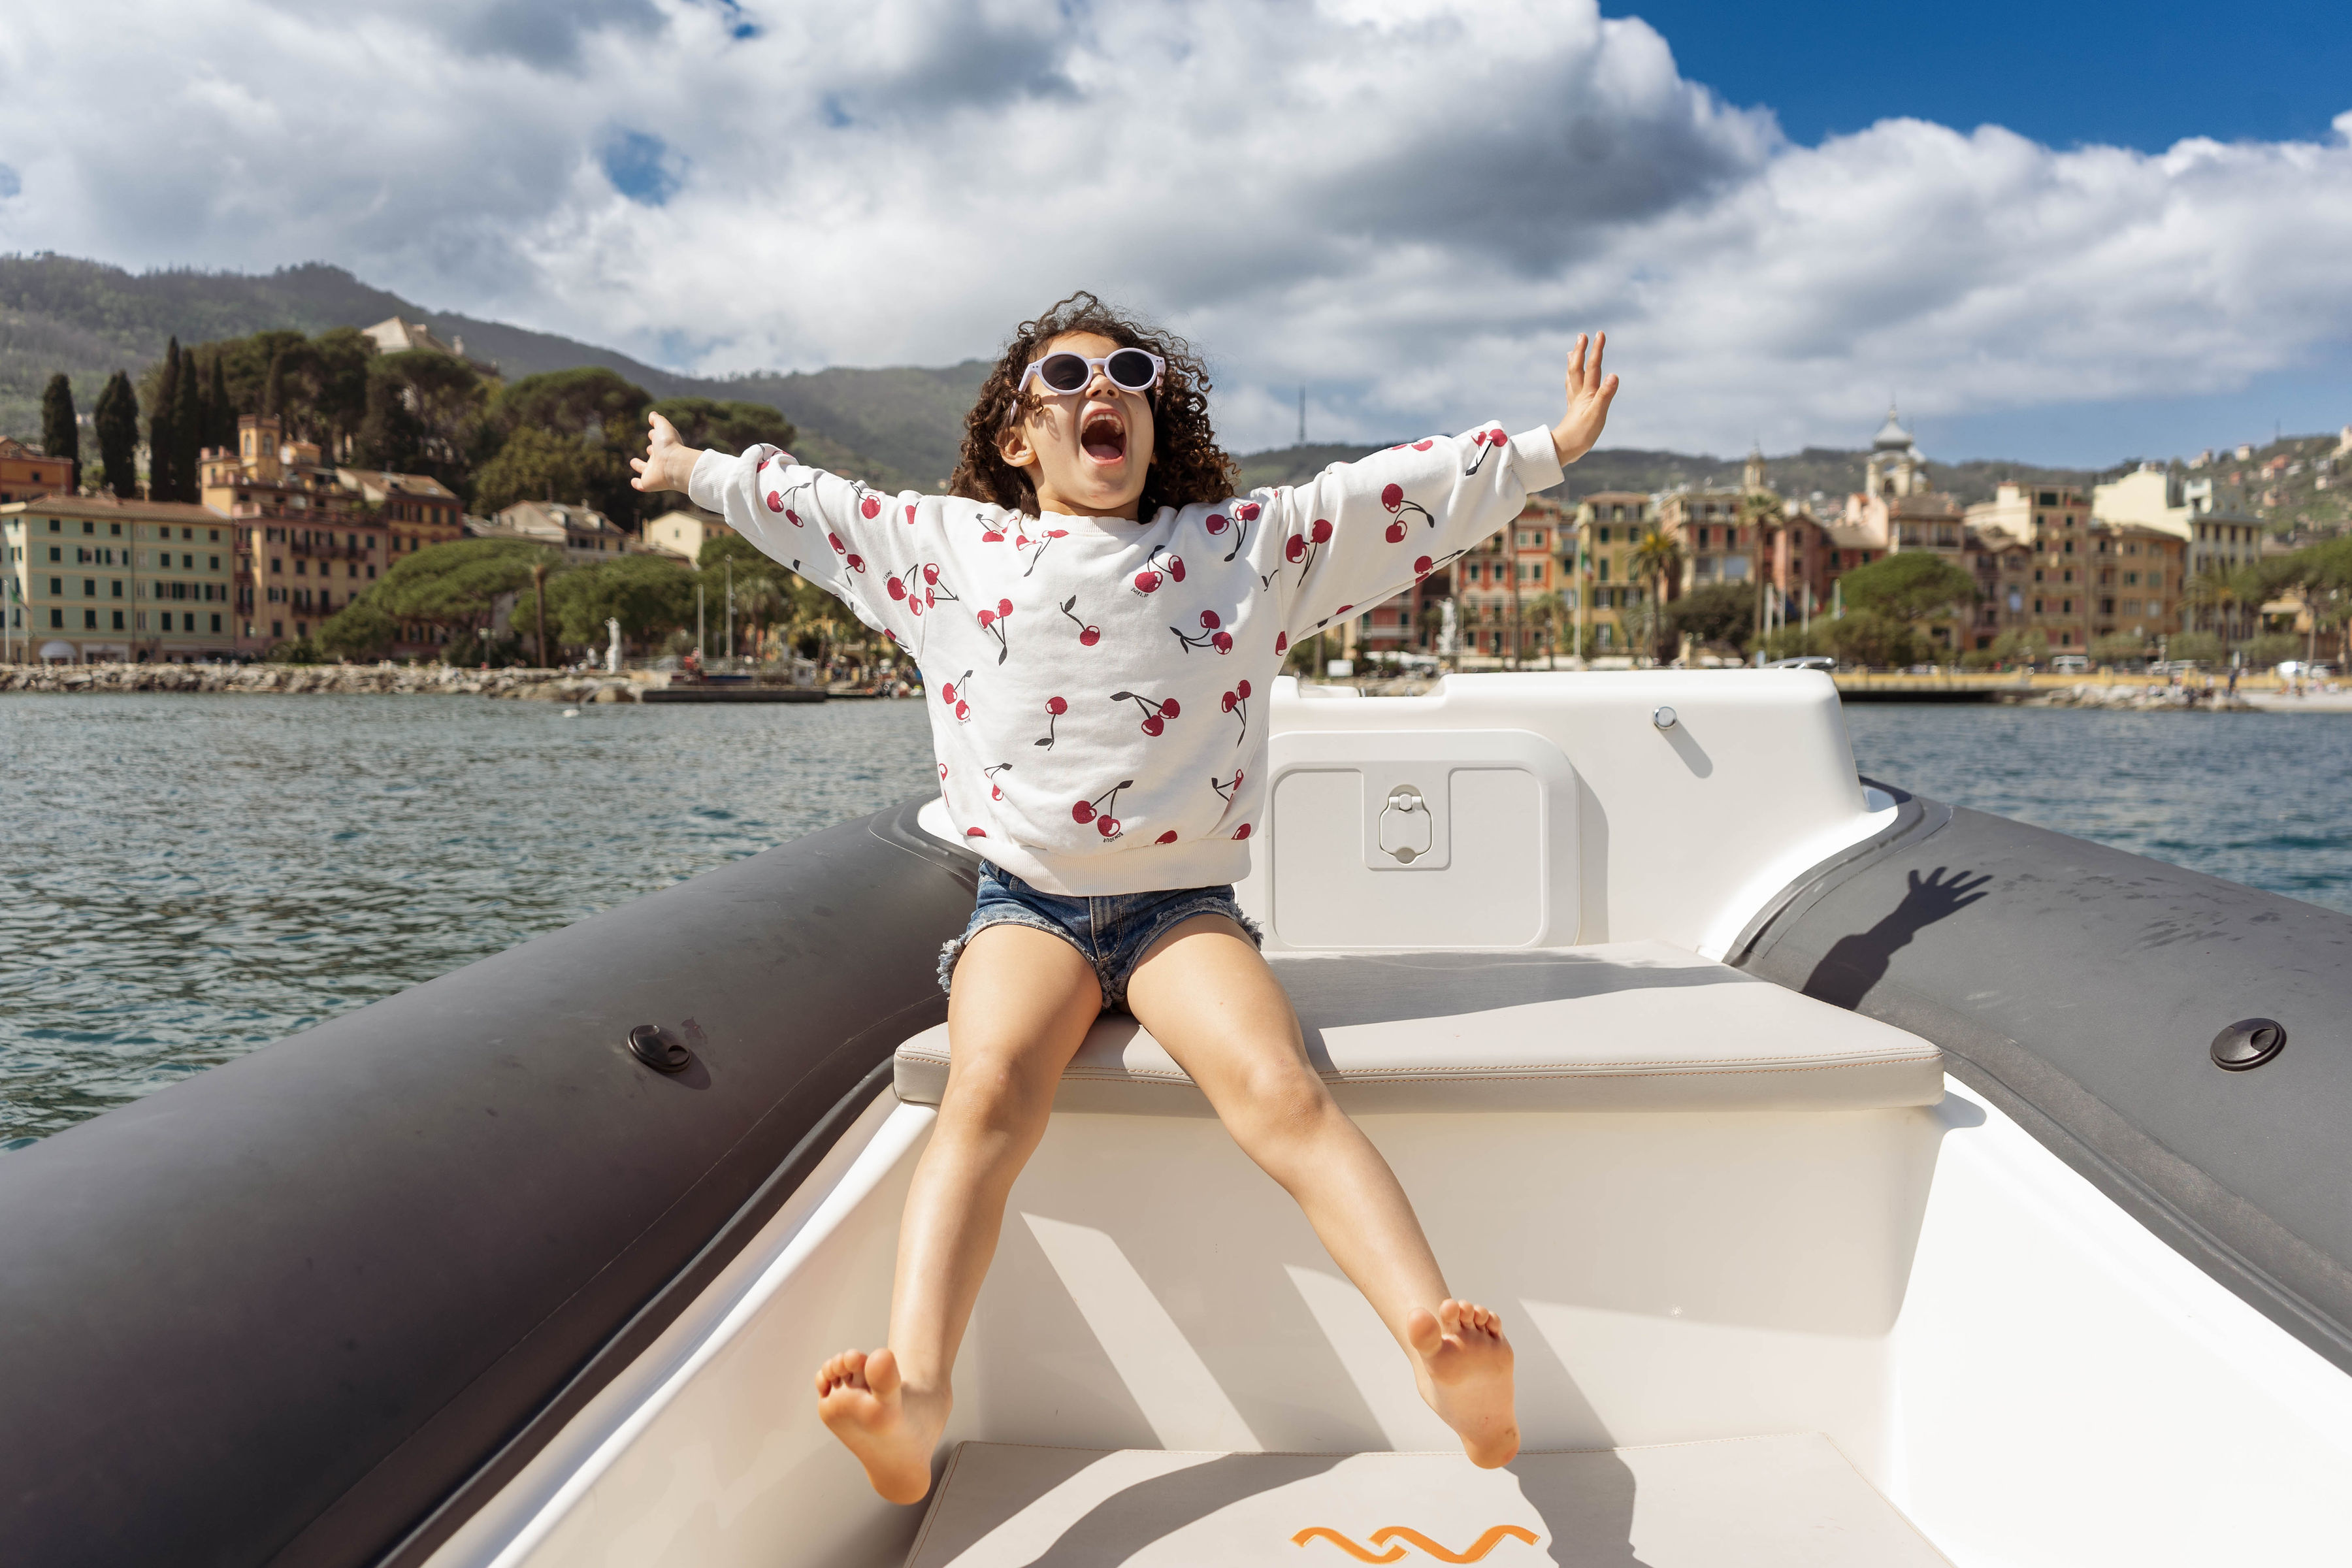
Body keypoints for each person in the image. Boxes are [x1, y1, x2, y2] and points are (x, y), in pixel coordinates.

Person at [630, 292, 1619, 1504]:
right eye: (1066, 376)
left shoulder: (1239, 549)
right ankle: (922, 1394)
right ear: (1016, 436)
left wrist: (1545, 451)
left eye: (1131, 375)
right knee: (988, 1090)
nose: (1104, 390)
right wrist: (693, 470)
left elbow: (1377, 499)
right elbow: (816, 506)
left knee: (1280, 1090)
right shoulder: (947, 552)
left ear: (1158, 424)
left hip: (1180, 910)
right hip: (1027, 910)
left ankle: (1435, 1345)